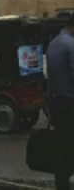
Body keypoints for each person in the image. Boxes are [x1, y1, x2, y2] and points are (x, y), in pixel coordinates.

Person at [46, 16, 74, 190]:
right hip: (70, 104)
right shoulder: (71, 45)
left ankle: (61, 185)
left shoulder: (53, 44)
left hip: (56, 104)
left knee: (62, 147)